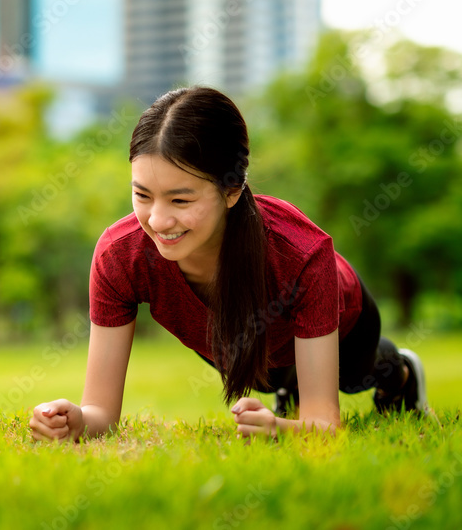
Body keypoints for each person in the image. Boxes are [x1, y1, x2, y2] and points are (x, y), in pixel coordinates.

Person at [29, 86, 430, 442]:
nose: (157, 220)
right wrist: (76, 421)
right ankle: (289, 386)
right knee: (272, 375)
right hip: (247, 344)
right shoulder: (120, 256)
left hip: (347, 325)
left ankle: (399, 371)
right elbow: (101, 413)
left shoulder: (301, 254)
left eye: (180, 200)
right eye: (143, 195)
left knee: (355, 376)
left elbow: (324, 427)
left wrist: (277, 429)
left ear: (232, 190)